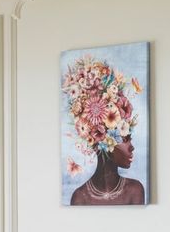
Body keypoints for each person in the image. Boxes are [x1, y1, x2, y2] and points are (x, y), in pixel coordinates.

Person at [62, 54, 146, 206]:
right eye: (125, 139)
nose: (132, 147)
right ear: (102, 141)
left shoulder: (135, 190)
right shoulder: (79, 197)